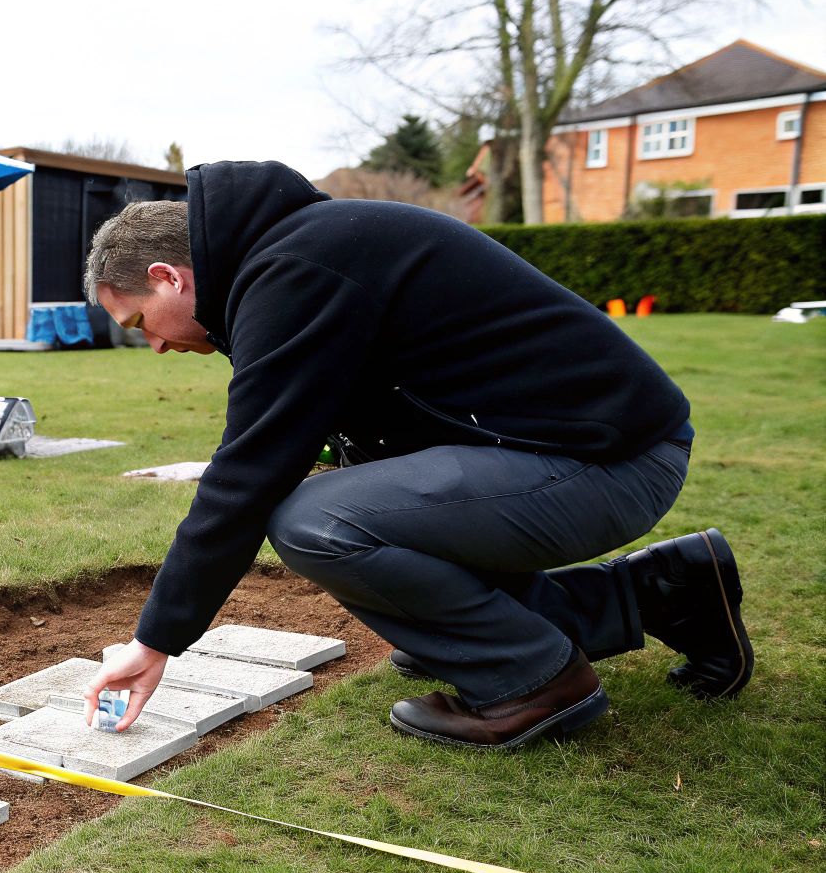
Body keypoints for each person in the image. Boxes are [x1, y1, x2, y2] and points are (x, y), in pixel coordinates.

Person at [79, 160, 752, 750]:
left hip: (612, 464)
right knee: (367, 535)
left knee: (314, 521)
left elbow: (248, 474)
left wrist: (156, 639)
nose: (157, 346)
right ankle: (662, 593)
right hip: (582, 447)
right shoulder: (297, 251)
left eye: (140, 324)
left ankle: (535, 682)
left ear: (168, 277)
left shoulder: (293, 272)